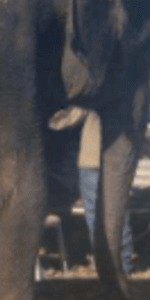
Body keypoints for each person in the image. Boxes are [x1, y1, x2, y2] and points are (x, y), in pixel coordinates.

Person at [49, 107, 135, 274]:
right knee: (118, 210)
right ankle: (124, 261)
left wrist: (50, 119)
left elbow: (71, 118)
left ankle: (105, 261)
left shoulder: (95, 91)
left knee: (95, 215)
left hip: (92, 161)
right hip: (118, 160)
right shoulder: (128, 92)